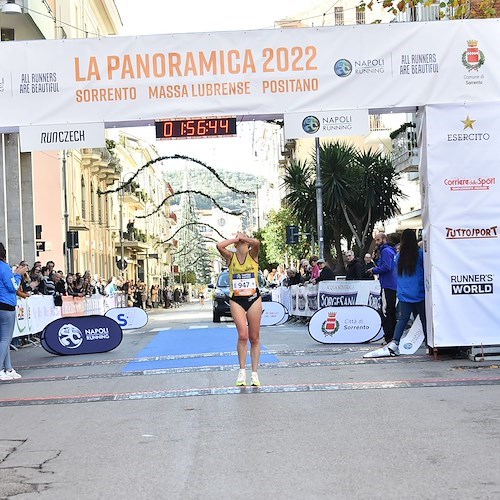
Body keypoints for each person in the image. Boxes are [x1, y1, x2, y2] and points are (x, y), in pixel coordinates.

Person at [216, 232, 262, 387]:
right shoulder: (231, 257)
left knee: (254, 337)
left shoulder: (253, 255)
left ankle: (254, 373)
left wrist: (245, 238)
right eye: (239, 240)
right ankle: (242, 371)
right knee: (243, 335)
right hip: (236, 299)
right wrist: (235, 239)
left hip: (253, 298)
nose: (242, 240)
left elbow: (257, 242)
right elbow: (219, 246)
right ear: (236, 244)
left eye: (243, 239)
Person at [384, 229, 426, 356]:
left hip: (403, 293)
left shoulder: (398, 257)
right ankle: (429, 342)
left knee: (402, 319)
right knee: (424, 319)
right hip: (419, 292)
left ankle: (395, 342)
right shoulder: (420, 254)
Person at [0, 243, 26, 380]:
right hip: (5, 304)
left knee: (3, 339)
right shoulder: (4, 267)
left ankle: (8, 368)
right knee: (5, 339)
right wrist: (18, 275)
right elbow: (13, 287)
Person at [367, 232, 397, 344]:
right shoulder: (391, 251)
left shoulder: (385, 251)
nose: (376, 242)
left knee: (386, 311)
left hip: (387, 284)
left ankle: (388, 336)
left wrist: (374, 270)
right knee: (391, 310)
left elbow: (387, 267)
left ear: (384, 240)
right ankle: (392, 336)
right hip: (392, 284)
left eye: (378, 240)